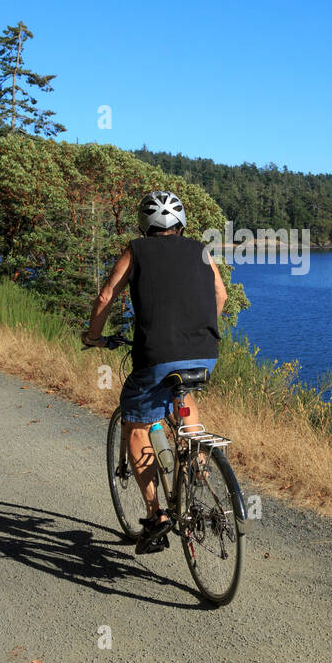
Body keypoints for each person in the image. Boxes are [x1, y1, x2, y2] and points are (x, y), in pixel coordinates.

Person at [83, 191, 227, 554]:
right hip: (205, 353)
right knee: (183, 396)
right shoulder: (201, 249)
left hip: (157, 356)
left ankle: (156, 516)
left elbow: (105, 298)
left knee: (136, 423)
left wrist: (93, 336)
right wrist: (200, 330)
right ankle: (197, 464)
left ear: (145, 225)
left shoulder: (137, 250)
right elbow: (220, 296)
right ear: (180, 225)